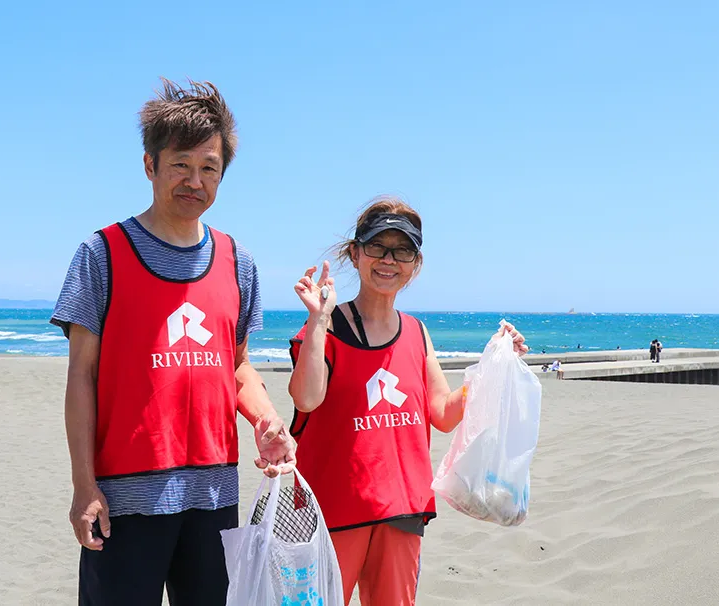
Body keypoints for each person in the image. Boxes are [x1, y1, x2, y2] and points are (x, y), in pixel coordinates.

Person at [50, 78, 297, 606]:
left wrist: (265, 419)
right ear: (150, 165)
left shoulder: (238, 262)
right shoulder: (102, 254)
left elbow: (237, 367)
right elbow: (81, 377)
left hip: (214, 493)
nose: (195, 180)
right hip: (124, 497)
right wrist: (83, 485)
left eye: (209, 168)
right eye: (181, 164)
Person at [287, 196, 528, 606]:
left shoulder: (416, 332)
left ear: (415, 264)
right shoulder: (326, 328)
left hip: (401, 509)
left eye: (402, 251)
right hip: (332, 512)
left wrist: (493, 367)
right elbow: (306, 399)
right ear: (355, 253)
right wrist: (318, 320)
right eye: (377, 246)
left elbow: (443, 414)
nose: (388, 260)